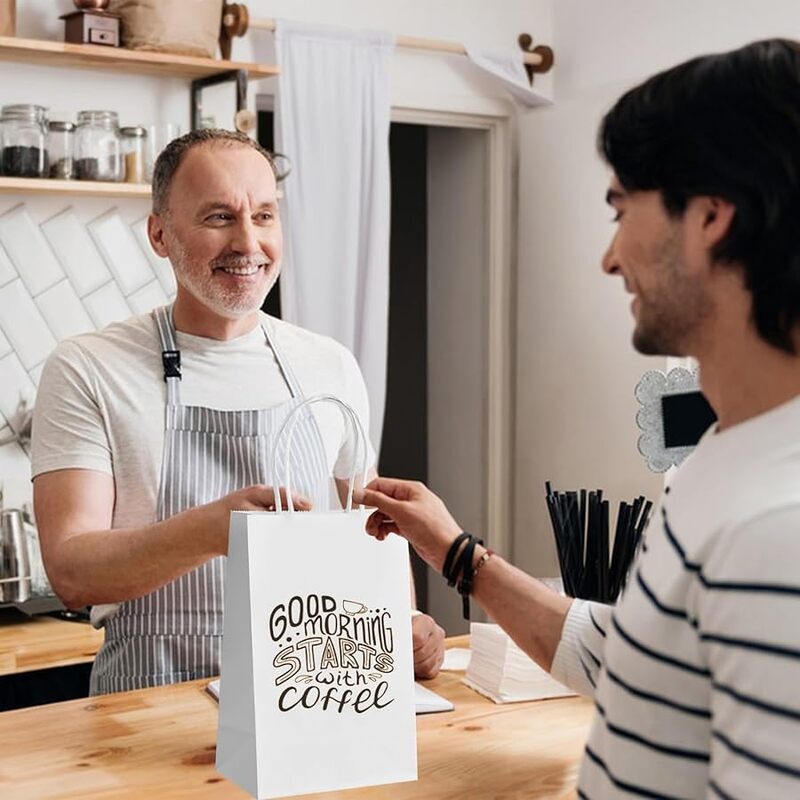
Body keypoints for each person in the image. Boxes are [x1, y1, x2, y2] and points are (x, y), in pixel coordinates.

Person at [359, 39, 800, 798]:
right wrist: (455, 551)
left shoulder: (777, 526)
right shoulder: (717, 463)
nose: (608, 256)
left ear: (710, 217)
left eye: (622, 209)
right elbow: (620, 657)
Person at [31, 129, 444, 695]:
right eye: (220, 216)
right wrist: (209, 530)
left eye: (266, 216)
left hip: (307, 699)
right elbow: (72, 572)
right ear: (159, 234)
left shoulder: (328, 364)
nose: (248, 243)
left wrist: (405, 624)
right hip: (145, 711)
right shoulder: (88, 367)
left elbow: (375, 530)